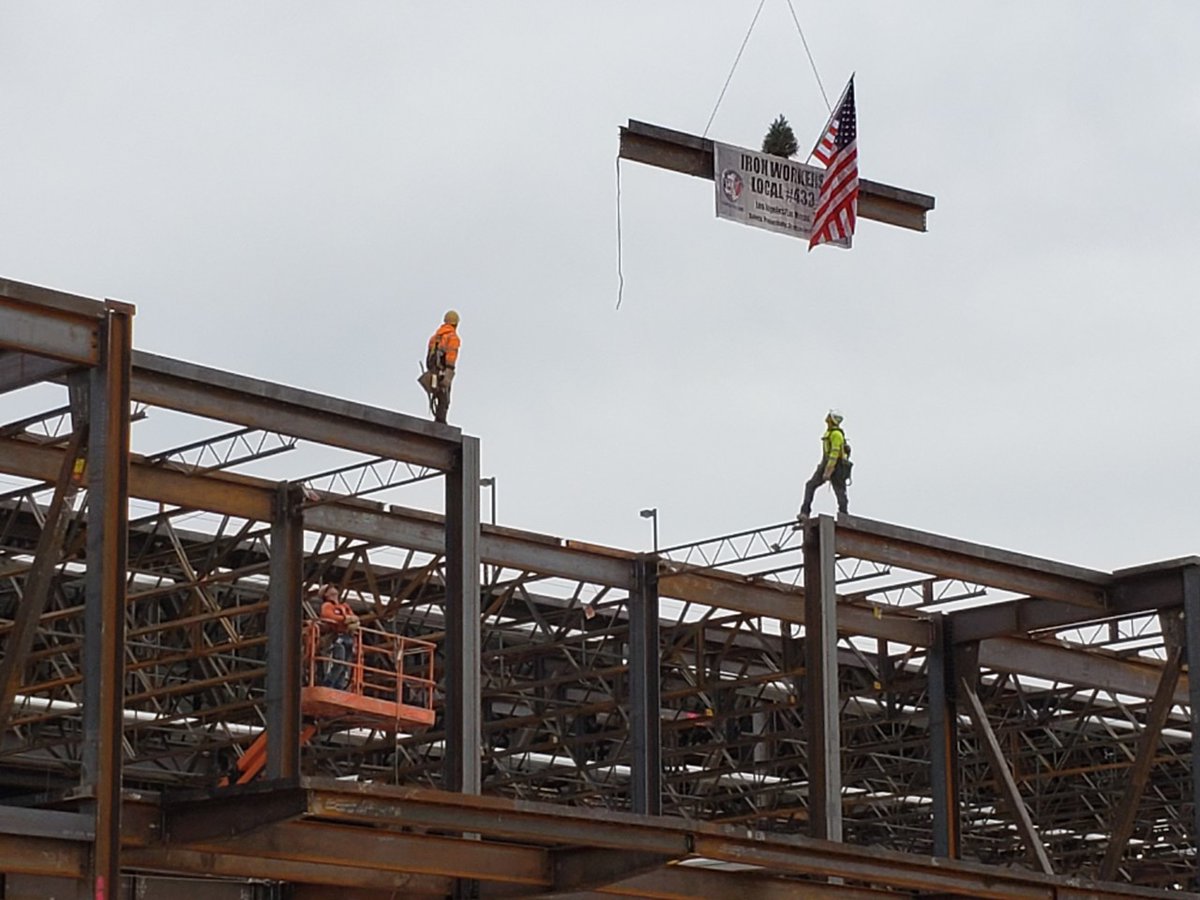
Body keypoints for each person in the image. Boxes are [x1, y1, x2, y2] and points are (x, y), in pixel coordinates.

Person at [796, 409, 852, 523]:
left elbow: (834, 454)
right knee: (810, 485)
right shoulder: (831, 433)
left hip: (836, 466)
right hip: (827, 464)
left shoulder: (836, 434)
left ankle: (844, 516)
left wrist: (828, 470)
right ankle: (804, 512)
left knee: (840, 492)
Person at [419, 310, 461, 424]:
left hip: (433, 370)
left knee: (437, 395)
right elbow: (451, 356)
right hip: (443, 370)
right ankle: (441, 422)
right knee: (445, 398)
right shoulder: (453, 337)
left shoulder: (435, 337)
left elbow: (429, 356)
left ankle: (439, 419)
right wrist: (448, 372)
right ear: (456, 324)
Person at [318, 584, 360, 690]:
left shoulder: (344, 606)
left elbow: (354, 617)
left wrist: (351, 619)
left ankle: (339, 686)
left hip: (347, 637)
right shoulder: (327, 606)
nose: (333, 591)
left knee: (345, 664)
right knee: (339, 661)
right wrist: (344, 619)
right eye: (329, 590)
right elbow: (327, 616)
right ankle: (329, 683)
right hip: (336, 636)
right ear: (326, 595)